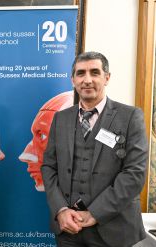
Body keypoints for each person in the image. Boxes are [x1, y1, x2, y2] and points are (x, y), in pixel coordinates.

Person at [41, 51, 148, 247]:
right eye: (80, 73)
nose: (87, 80)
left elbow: (135, 173)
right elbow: (48, 167)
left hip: (113, 230)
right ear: (73, 80)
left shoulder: (130, 116)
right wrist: (61, 210)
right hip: (68, 230)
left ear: (107, 77)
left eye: (95, 72)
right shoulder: (60, 118)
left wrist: (94, 214)